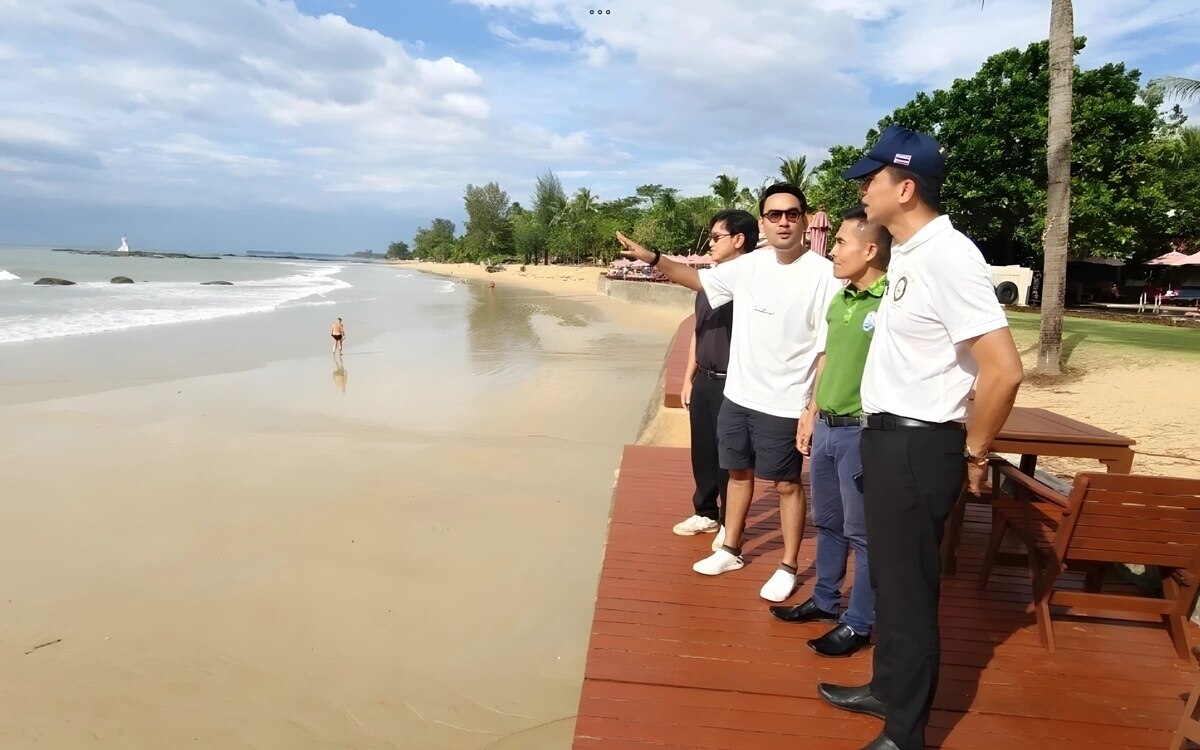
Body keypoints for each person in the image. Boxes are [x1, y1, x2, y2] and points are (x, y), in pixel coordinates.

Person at [816, 126, 1023, 750]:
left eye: (871, 178)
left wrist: (977, 451)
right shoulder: (908, 254)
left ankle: (906, 734)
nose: (861, 186)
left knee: (909, 592)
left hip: (918, 444)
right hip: (886, 439)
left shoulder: (948, 255)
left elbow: (1004, 368)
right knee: (891, 583)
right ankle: (888, 689)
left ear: (905, 189)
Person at [616, 183, 841, 602]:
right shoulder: (750, 266)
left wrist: (812, 406)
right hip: (739, 395)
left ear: (806, 221)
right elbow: (697, 280)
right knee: (737, 475)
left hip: (786, 399)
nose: (784, 221)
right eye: (774, 215)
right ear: (763, 223)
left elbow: (827, 348)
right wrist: (652, 258)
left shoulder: (824, 274)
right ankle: (731, 548)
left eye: (792, 213)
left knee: (787, 484)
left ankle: (789, 565)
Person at [770, 204, 890, 659]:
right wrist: (810, 410)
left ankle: (859, 622)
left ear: (871, 249)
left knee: (862, 531)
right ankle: (824, 599)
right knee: (830, 522)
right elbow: (827, 361)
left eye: (841, 243)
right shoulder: (842, 299)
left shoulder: (891, 302)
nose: (833, 251)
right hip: (826, 426)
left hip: (863, 431)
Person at [672, 210, 757, 544]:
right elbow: (698, 330)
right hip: (706, 378)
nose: (710, 243)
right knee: (703, 449)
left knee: (730, 455)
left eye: (716, 237)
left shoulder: (749, 282)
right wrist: (687, 378)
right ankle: (704, 512)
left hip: (733, 381)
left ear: (738, 240)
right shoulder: (706, 282)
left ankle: (727, 522)